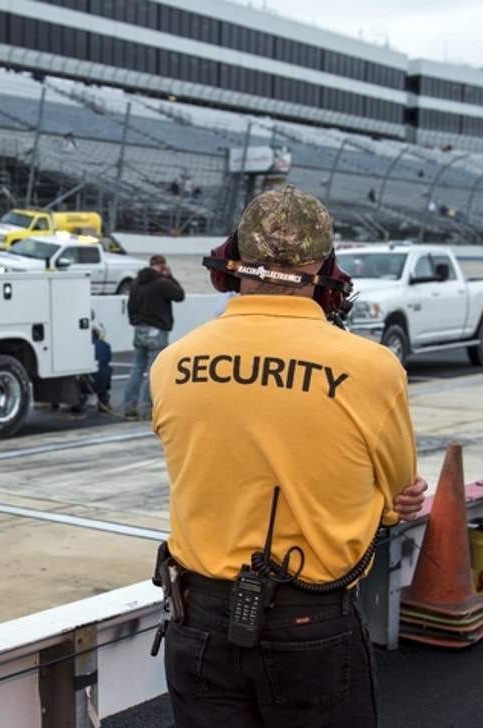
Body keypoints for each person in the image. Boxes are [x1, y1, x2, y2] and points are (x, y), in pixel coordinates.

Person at [148, 186, 427, 728]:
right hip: (309, 624)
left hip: (196, 620)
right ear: (325, 268)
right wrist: (387, 503)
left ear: (233, 258)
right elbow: (399, 497)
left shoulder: (173, 363)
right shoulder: (373, 369)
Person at [120, 254, 184, 420]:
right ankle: (146, 408)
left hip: (139, 328)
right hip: (157, 330)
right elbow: (179, 295)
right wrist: (170, 277)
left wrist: (135, 321)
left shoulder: (136, 282)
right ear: (162, 266)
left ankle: (129, 406)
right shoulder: (162, 283)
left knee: (136, 368)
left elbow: (131, 306)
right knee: (153, 370)